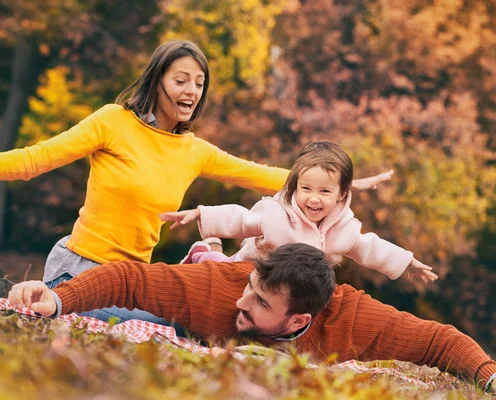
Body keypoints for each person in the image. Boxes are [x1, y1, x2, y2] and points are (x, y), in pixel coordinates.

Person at [0, 40, 391, 324]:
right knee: (178, 325)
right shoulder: (112, 122)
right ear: (157, 81)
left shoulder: (193, 150)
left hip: (135, 280)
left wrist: (337, 186)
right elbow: (34, 159)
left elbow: (266, 176)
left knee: (199, 318)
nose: (191, 91)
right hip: (79, 271)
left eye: (199, 83)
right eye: (181, 80)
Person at [8, 243, 496, 393]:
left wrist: (491, 375)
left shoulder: (355, 319)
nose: (245, 303)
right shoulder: (223, 288)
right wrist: (58, 302)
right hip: (171, 322)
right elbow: (131, 278)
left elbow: (435, 341)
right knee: (103, 305)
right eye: (251, 289)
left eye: (262, 303)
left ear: (296, 322)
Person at [161, 142, 437, 283]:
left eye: (324, 192)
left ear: (342, 193)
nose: (313, 199)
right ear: (295, 186)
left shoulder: (345, 231)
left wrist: (407, 263)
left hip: (287, 290)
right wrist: (201, 214)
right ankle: (204, 251)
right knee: (215, 269)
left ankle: (211, 246)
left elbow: (371, 249)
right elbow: (242, 219)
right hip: (246, 271)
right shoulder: (277, 215)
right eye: (306, 189)